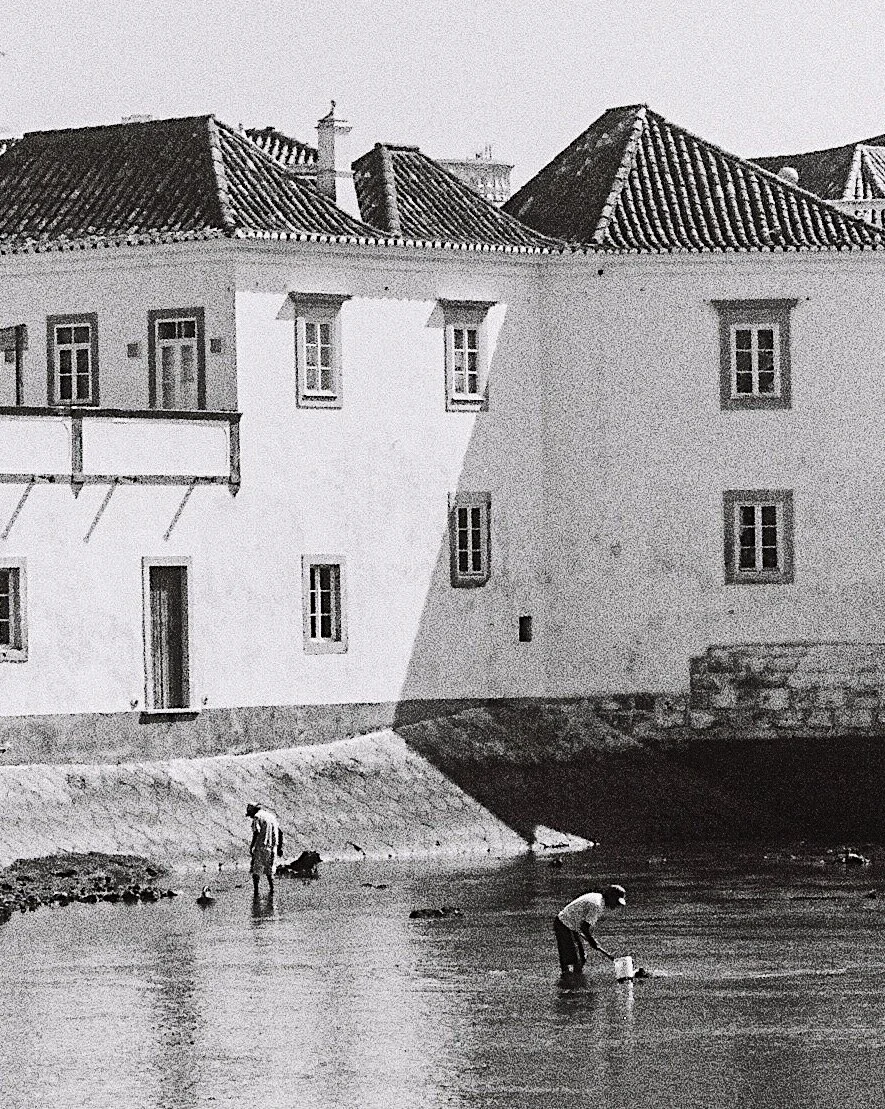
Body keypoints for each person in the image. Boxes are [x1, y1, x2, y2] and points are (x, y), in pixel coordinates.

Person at [554, 884, 626, 975]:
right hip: (564, 924)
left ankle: (573, 981)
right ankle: (569, 981)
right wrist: (593, 942)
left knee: (581, 958)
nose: (616, 906)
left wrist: (591, 941)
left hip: (570, 925)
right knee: (574, 959)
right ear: (610, 896)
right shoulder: (597, 905)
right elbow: (584, 927)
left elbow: (582, 925)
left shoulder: (598, 898)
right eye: (616, 902)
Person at [246, 802, 283, 897]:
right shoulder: (271, 817)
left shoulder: (257, 817)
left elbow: (256, 832)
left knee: (256, 870)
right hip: (273, 848)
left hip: (261, 847)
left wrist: (252, 846)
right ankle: (272, 890)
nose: (250, 817)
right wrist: (279, 847)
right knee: (270, 871)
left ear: (253, 810)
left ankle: (256, 892)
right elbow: (279, 832)